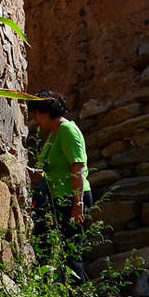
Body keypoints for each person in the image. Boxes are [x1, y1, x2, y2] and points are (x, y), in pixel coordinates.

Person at [28, 91, 90, 285]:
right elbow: (53, 167)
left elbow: (77, 166)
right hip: (60, 198)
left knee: (71, 251)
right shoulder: (54, 135)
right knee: (59, 248)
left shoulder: (67, 131)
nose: (36, 119)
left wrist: (77, 203)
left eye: (36, 113)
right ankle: (61, 294)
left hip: (72, 198)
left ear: (46, 112)